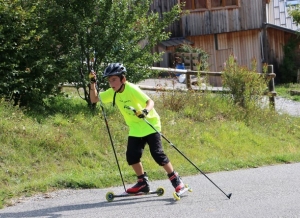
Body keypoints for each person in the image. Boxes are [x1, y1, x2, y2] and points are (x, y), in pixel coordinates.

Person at [89, 63, 185, 194]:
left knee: (157, 154)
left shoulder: (131, 88)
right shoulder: (113, 93)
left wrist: (145, 111)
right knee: (132, 156)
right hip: (135, 127)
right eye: (109, 80)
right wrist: (92, 83)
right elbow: (94, 99)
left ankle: (176, 180)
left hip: (150, 124)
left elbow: (150, 101)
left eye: (114, 79)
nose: (111, 83)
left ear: (123, 79)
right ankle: (142, 183)